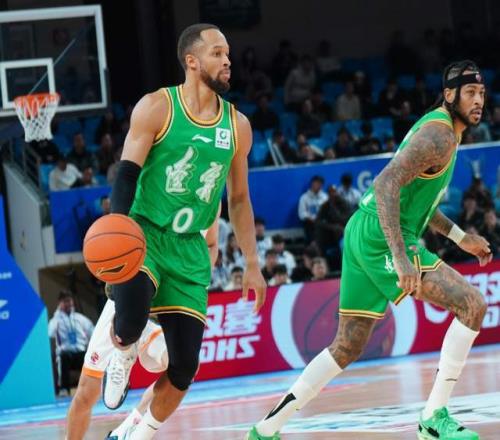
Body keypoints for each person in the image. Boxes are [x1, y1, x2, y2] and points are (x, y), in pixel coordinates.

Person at [247, 60, 492, 440]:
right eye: (470, 92)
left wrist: (461, 238)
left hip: (363, 230)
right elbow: (385, 184)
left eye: (482, 93)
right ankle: (433, 417)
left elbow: (419, 204)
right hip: (381, 236)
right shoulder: (439, 135)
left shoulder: (446, 134)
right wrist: (400, 256)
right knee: (472, 305)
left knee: (347, 345)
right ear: (449, 95)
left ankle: (265, 429)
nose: (478, 100)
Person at [102, 23, 266, 440]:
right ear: (192, 61)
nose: (227, 60)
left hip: (190, 247)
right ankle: (123, 348)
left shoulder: (238, 126)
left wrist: (252, 262)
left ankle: (136, 433)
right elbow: (126, 174)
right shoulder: (157, 107)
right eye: (217, 53)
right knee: (131, 322)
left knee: (184, 367)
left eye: (227, 53)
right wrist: (119, 231)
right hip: (144, 234)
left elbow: (240, 200)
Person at [66, 211, 221, 440]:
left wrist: (195, 279)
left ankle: (126, 430)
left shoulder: (212, 199)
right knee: (87, 391)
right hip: (136, 285)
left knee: (184, 367)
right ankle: (124, 346)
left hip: (172, 295)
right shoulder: (158, 191)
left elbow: (211, 244)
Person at [48, 291, 94, 396]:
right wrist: (57, 314)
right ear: (60, 303)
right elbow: (50, 332)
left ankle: (92, 386)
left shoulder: (80, 318)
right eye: (65, 301)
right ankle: (64, 388)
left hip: (80, 353)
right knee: (62, 357)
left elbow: (93, 331)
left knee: (90, 356)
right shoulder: (56, 320)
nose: (68, 304)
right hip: (66, 354)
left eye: (69, 301)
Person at [298, 175, 328, 243]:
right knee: (308, 224)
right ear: (312, 184)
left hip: (323, 223)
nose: (318, 186)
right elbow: (302, 214)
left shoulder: (325, 197)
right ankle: (312, 244)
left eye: (320, 184)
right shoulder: (304, 198)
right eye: (317, 183)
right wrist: (311, 219)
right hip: (310, 223)